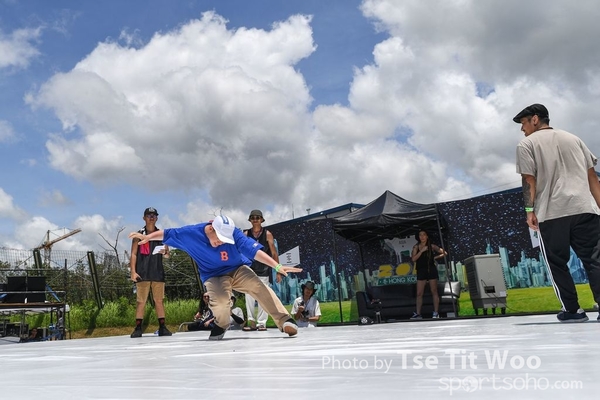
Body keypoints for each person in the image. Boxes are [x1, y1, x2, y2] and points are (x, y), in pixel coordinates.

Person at [129, 215, 301, 340]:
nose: (221, 242)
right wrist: (148, 237)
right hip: (213, 275)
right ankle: (221, 323)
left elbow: (254, 251)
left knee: (258, 285)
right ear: (211, 228)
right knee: (220, 301)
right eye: (219, 238)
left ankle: (284, 320)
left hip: (237, 269)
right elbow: (167, 234)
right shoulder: (191, 233)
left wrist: (277, 266)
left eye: (225, 240)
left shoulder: (234, 233)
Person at [514, 103, 600, 322]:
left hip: (552, 213)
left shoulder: (526, 144)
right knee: (594, 260)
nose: (522, 128)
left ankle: (573, 311)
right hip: (584, 209)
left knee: (556, 263)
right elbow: (592, 176)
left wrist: (529, 211)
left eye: (523, 123)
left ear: (535, 119)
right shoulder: (574, 139)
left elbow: (529, 179)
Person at [129, 207, 172, 338]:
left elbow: (167, 255)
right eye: (149, 215)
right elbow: (133, 254)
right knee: (141, 301)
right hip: (142, 273)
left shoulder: (161, 234)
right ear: (144, 218)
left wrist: (165, 252)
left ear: (157, 218)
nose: (151, 217)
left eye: (154, 215)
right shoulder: (139, 234)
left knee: (159, 300)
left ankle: (162, 327)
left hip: (157, 273)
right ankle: (138, 328)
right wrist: (133, 272)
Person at [242, 209, 279, 331]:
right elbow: (241, 251)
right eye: (253, 218)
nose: (255, 220)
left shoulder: (267, 234)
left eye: (257, 218)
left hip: (263, 270)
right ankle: (251, 321)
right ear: (250, 220)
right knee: (249, 295)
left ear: (262, 220)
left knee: (263, 296)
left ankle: (262, 322)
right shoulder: (246, 234)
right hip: (249, 269)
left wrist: (278, 270)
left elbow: (274, 253)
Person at [410, 230, 447, 319]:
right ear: (418, 237)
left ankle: (436, 312)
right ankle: (418, 313)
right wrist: (421, 251)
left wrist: (435, 257)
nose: (422, 237)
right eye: (420, 235)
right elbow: (413, 259)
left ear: (427, 236)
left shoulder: (432, 246)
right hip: (421, 270)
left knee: (434, 291)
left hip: (431, 269)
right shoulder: (416, 247)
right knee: (419, 293)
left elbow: (444, 253)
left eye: (424, 235)